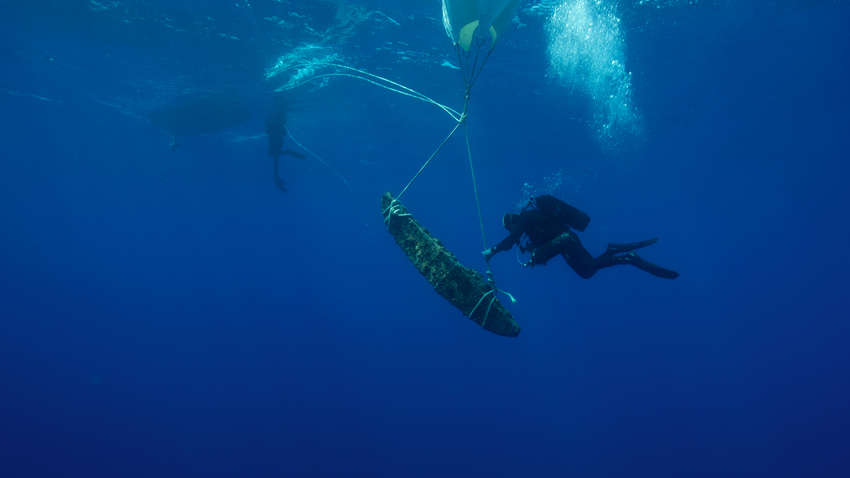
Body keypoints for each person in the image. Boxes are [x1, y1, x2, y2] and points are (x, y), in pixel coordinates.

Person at [482, 195, 679, 279]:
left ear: (513, 222)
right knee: (587, 271)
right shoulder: (532, 224)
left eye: (510, 228)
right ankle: (611, 251)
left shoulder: (525, 219)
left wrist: (492, 251)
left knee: (588, 268)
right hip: (567, 240)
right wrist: (534, 251)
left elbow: (510, 241)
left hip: (567, 240)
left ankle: (629, 258)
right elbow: (545, 240)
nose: (512, 232)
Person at [266, 94, 304, 192]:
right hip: (276, 139)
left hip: (276, 139)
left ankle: (277, 181)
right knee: (276, 158)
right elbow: (275, 129)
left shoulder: (275, 120)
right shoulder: (276, 120)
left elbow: (273, 129)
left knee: (276, 158)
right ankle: (277, 181)